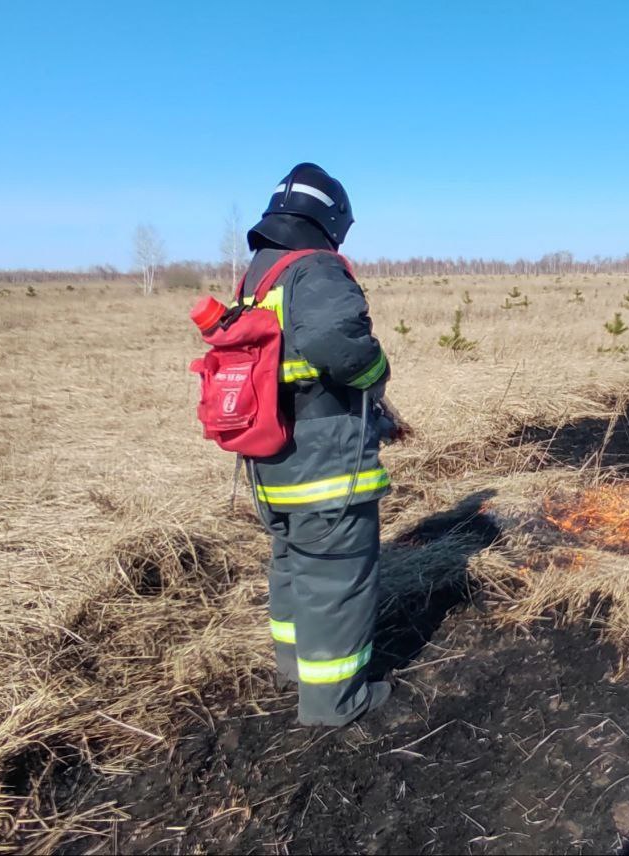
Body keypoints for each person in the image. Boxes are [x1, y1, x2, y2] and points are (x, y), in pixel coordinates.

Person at [240, 162, 397, 726]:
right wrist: (377, 371)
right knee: (336, 575)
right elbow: (338, 341)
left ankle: (295, 666)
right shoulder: (317, 270)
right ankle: (335, 701)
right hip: (324, 459)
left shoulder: (262, 273)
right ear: (329, 219)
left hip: (271, 457)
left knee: (292, 562)